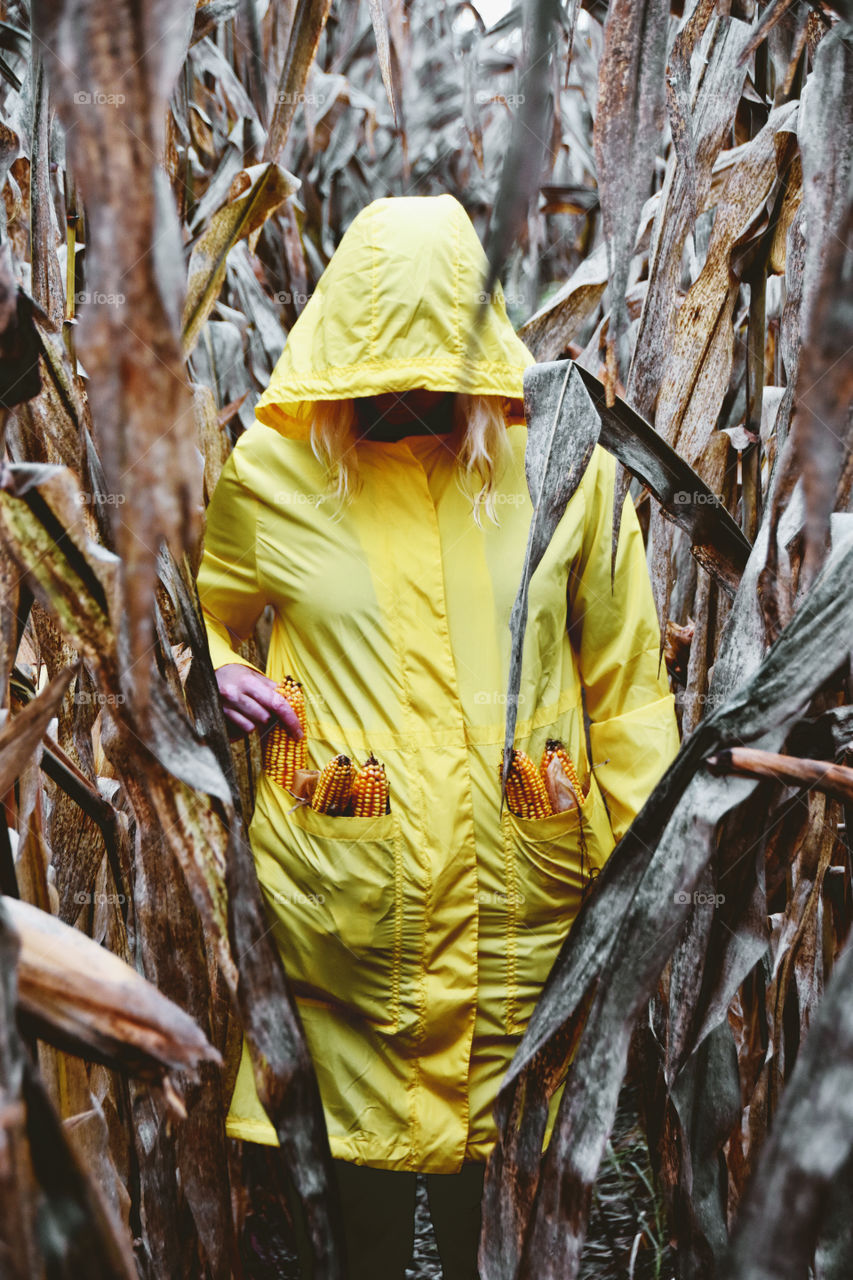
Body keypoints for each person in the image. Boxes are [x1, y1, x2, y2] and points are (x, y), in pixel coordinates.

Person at [196, 193, 680, 1279]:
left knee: (500, 1226)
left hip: (523, 921)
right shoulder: (273, 476)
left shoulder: (564, 474)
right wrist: (222, 670)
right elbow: (208, 609)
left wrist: (646, 866)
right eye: (384, 370)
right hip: (345, 918)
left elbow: (628, 685)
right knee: (360, 1228)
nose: (409, 396)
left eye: (434, 369)